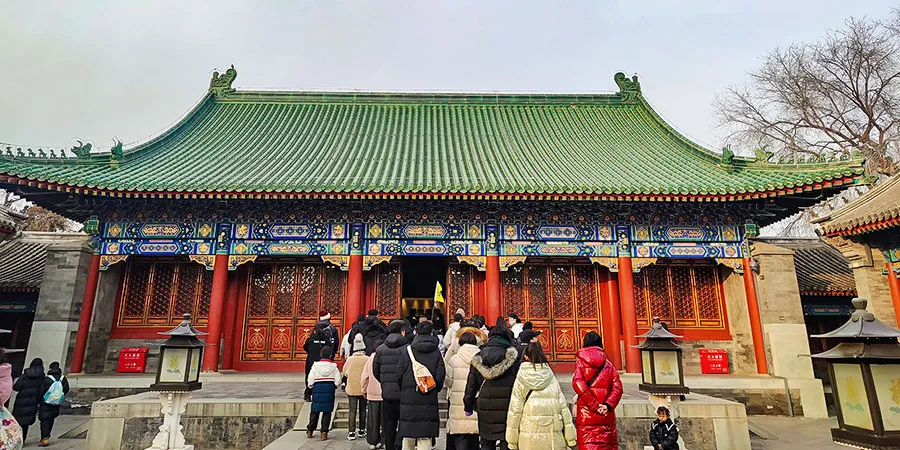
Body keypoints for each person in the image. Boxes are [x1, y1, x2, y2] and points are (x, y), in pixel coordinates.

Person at [506, 341, 576, 450]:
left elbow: (515, 409)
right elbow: (563, 406)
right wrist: (570, 438)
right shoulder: (550, 375)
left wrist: (512, 441)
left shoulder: (521, 376)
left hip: (528, 434)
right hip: (552, 434)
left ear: (526, 356)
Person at [463, 326, 520, 450]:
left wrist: (468, 405)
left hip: (484, 405)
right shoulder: (514, 356)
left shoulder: (479, 356)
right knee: (507, 441)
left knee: (486, 441)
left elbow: (471, 385)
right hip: (508, 404)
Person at [396, 321, 445, 450]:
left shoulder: (407, 351)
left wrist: (405, 388)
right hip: (428, 396)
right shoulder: (436, 352)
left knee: (408, 434)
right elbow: (440, 375)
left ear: (416, 333)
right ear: (431, 333)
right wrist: (433, 388)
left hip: (409, 397)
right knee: (425, 435)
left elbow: (399, 374)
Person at [573, 332, 623, 450]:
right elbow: (618, 388)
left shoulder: (580, 363)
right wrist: (606, 405)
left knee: (588, 444)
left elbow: (578, 383)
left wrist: (594, 405)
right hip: (606, 414)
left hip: (587, 413)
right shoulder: (609, 365)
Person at [373, 320, 409, 450]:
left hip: (387, 392)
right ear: (402, 332)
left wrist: (384, 382)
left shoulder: (380, 349)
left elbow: (375, 371)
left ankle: (389, 446)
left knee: (388, 424)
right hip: (404, 393)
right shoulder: (407, 349)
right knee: (403, 422)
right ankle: (399, 446)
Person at [446, 332, 481, 450]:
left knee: (460, 437)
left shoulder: (454, 360)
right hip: (475, 402)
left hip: (458, 403)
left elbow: (448, 382)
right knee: (474, 437)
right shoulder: (481, 360)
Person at [306, 346, 340, 441]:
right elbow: (337, 381)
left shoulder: (315, 366)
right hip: (329, 390)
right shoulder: (334, 367)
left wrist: (311, 386)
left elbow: (310, 380)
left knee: (315, 410)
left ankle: (310, 430)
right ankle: (324, 432)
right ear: (330, 355)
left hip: (317, 389)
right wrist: (334, 386)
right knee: (327, 411)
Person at [342, 334, 369, 441]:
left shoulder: (350, 360)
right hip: (363, 388)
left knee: (352, 410)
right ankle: (362, 430)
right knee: (363, 410)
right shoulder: (367, 359)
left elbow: (344, 372)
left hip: (352, 388)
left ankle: (351, 432)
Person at [12, 358, 44, 442]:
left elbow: (16, 387)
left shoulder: (24, 376)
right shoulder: (41, 377)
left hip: (20, 401)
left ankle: (15, 439)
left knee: (17, 421)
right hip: (33, 402)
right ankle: (23, 439)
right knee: (25, 423)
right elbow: (41, 391)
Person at [37, 361, 69, 447]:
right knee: (51, 420)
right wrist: (59, 396)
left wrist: (41, 399)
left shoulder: (47, 379)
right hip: (56, 402)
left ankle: (44, 437)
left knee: (44, 420)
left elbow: (41, 391)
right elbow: (66, 389)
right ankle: (47, 436)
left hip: (46, 402)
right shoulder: (63, 378)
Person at [361, 339, 384, 450]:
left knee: (373, 419)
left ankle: (373, 442)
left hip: (373, 392)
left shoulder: (370, 359)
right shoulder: (385, 357)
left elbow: (365, 377)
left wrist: (364, 390)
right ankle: (384, 440)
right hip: (385, 393)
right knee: (385, 419)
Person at [303, 324, 330, 401]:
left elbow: (305, 347)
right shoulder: (326, 340)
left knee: (309, 377)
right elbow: (329, 348)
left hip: (311, 361)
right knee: (322, 378)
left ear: (314, 330)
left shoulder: (310, 339)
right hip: (322, 362)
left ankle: (308, 394)